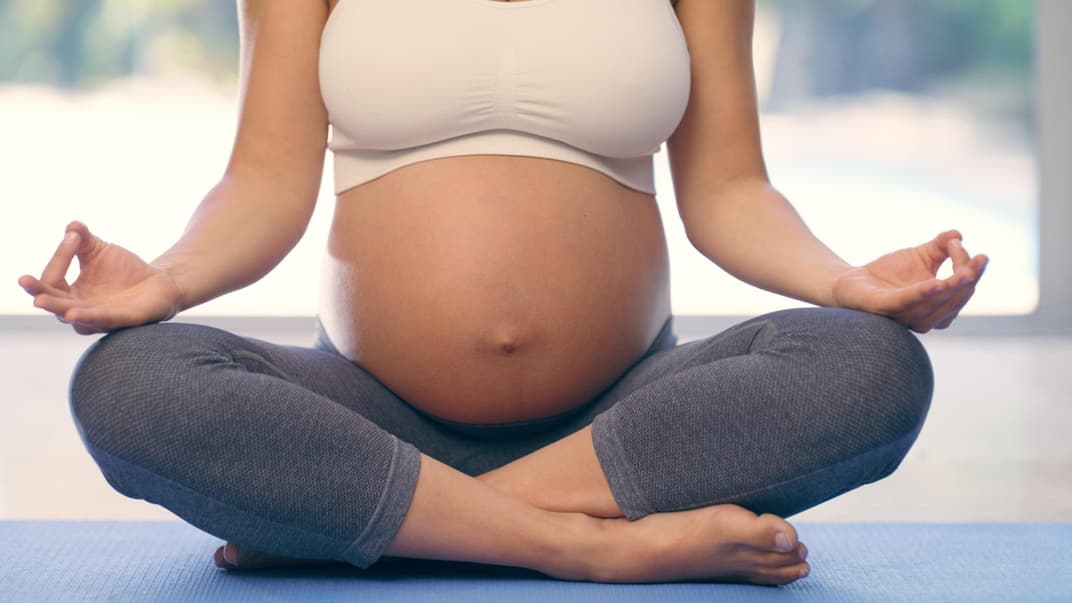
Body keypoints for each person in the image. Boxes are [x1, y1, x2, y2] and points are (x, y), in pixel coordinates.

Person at [18, 0, 988, 587]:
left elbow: (729, 190)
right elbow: (264, 182)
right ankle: (585, 548)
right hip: (373, 418)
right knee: (131, 384)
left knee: (868, 368)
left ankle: (378, 526)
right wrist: (168, 279)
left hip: (626, 427)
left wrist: (844, 282)